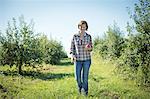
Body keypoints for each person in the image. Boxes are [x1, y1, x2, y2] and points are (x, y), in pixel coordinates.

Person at [70, 20, 93, 96]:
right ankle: (80, 89)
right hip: (78, 60)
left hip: (87, 59)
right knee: (77, 78)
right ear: (79, 27)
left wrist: (89, 48)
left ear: (86, 27)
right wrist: (72, 55)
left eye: (84, 27)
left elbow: (91, 48)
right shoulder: (75, 36)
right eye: (81, 27)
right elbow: (72, 48)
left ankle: (85, 93)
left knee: (85, 78)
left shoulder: (89, 36)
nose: (83, 28)